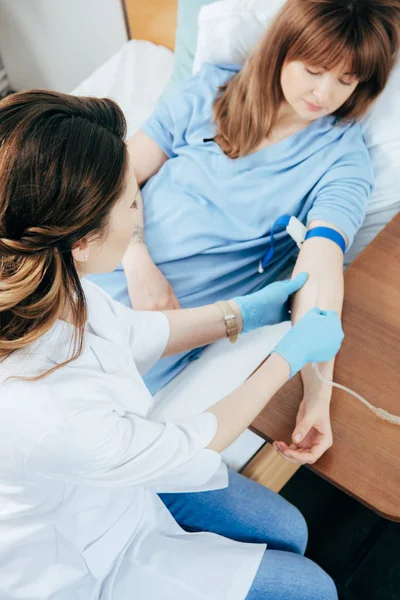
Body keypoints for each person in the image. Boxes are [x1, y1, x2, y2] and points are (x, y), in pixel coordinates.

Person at [0, 90, 344, 600]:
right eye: (132, 201)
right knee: (314, 590)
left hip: (116, 482)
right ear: (82, 239)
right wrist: (289, 353)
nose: (141, 213)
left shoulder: (56, 279)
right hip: (85, 563)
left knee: (290, 530)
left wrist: (241, 313)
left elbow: (132, 333)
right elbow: (195, 440)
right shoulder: (42, 408)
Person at [90, 0, 400, 465]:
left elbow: (320, 270)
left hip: (154, 330)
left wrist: (317, 391)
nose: (324, 92)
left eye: (346, 80)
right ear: (282, 48)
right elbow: (118, 174)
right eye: (314, 69)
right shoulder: (210, 90)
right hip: (87, 266)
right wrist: (137, 260)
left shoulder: (344, 163)